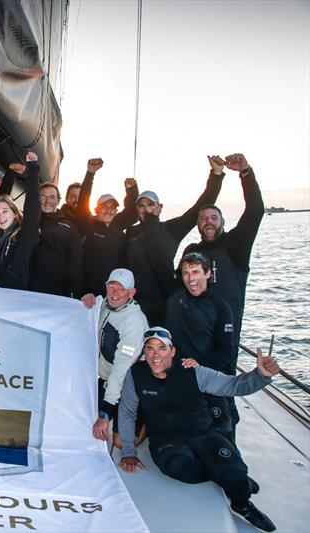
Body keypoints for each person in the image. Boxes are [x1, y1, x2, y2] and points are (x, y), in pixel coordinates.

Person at [118, 327, 278, 532]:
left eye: (161, 348)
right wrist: (129, 452)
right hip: (166, 439)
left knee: (237, 479)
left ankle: (242, 504)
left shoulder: (192, 370)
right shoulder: (136, 374)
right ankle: (222, 472)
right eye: (149, 349)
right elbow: (127, 412)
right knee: (183, 470)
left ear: (172, 351)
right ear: (144, 352)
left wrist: (260, 376)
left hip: (203, 433)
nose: (155, 355)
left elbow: (233, 386)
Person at [123, 155, 225, 325]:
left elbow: (199, 207)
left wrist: (215, 175)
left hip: (165, 304)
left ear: (159, 208)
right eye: (141, 205)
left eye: (150, 204)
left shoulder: (171, 229)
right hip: (135, 305)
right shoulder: (131, 232)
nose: (145, 209)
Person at [183, 153, 264, 351]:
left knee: (223, 378)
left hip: (226, 332)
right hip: (194, 330)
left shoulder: (236, 244)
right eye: (203, 218)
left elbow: (255, 210)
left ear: (222, 222)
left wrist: (246, 173)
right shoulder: (192, 250)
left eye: (214, 217)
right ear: (198, 224)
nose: (208, 221)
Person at [167, 251, 237, 439]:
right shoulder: (174, 301)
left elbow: (227, 350)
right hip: (182, 378)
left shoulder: (221, 307)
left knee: (224, 435)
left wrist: (199, 363)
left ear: (207, 274)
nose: (191, 278)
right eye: (186, 273)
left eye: (196, 272)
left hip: (211, 377)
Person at [81, 268, 148, 445]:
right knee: (82, 421)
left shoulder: (134, 322)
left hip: (128, 384)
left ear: (132, 293)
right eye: (111, 287)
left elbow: (120, 371)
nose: (115, 293)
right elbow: (84, 316)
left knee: (121, 442)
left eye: (121, 289)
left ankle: (145, 416)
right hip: (104, 378)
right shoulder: (103, 304)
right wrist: (85, 302)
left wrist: (105, 414)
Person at [74, 158, 139, 296]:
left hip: (113, 293)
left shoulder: (119, 224)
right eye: (104, 207)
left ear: (116, 211)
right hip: (87, 292)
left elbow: (133, 213)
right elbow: (82, 202)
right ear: (96, 209)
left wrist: (132, 190)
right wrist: (90, 173)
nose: (108, 211)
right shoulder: (87, 225)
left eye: (112, 208)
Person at [0, 153, 40, 289]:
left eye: (5, 211)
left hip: (17, 300)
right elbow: (0, 198)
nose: (0, 216)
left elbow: (32, 204)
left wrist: (32, 168)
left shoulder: (26, 234)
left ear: (15, 213)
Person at [28, 181, 83, 297]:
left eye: (52, 197)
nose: (48, 201)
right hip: (27, 288)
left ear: (58, 200)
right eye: (43, 197)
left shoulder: (69, 227)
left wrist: (74, 292)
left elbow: (75, 262)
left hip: (56, 292)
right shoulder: (28, 221)